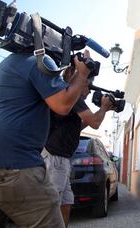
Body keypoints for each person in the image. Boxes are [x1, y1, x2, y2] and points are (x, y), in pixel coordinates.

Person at [0, 51, 91, 228]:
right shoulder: (40, 61)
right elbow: (63, 104)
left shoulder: (4, 65)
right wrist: (83, 73)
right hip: (14, 163)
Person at [42, 64, 114, 227]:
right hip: (55, 158)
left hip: (62, 159)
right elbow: (95, 123)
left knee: (66, 202)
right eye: (88, 86)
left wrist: (102, 111)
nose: (89, 91)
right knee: (51, 205)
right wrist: (102, 108)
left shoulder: (70, 98)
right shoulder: (72, 95)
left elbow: (80, 126)